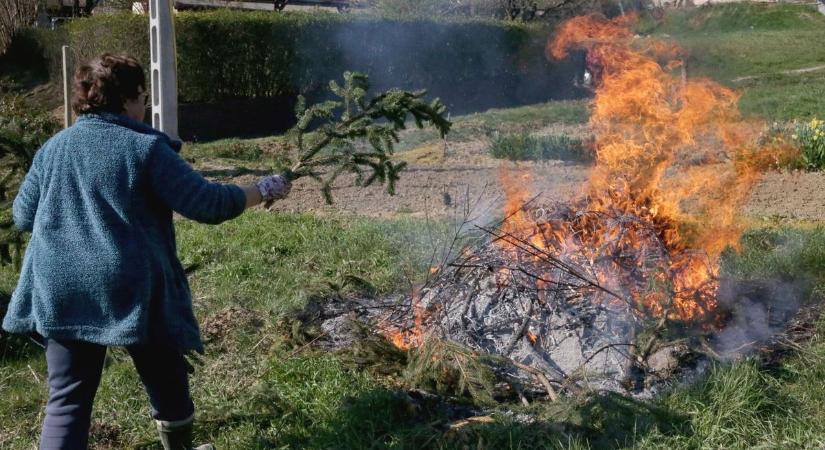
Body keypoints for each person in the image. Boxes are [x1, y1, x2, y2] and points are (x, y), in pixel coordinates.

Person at [1, 53, 291, 450]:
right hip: (129, 285)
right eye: (142, 96)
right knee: (166, 376)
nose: (145, 105)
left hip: (59, 285)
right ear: (128, 98)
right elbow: (206, 203)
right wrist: (264, 189)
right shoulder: (144, 149)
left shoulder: (52, 148)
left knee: (67, 401)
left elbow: (22, 215)